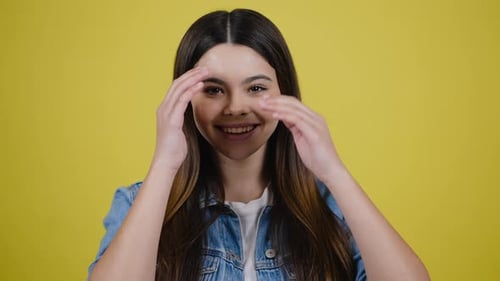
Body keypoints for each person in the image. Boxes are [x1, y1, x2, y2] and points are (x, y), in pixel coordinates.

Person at [87, 8, 430, 281]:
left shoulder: (333, 209)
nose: (236, 107)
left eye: (255, 88)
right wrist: (165, 164)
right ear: (185, 100)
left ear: (285, 93)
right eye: (213, 89)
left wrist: (334, 172)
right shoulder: (138, 204)